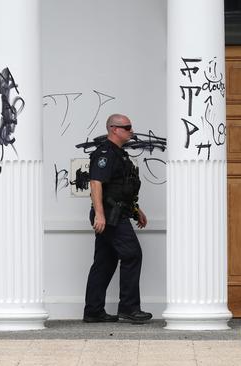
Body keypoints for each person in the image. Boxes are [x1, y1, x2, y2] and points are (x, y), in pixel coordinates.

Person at [83, 114, 152, 324]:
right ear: (114, 129)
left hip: (118, 213)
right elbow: (96, 183)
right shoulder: (105, 153)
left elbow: (121, 188)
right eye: (127, 127)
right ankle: (129, 308)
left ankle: (93, 311)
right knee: (132, 255)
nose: (131, 131)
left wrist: (135, 209)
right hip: (110, 216)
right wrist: (101, 214)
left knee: (104, 262)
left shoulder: (119, 154)